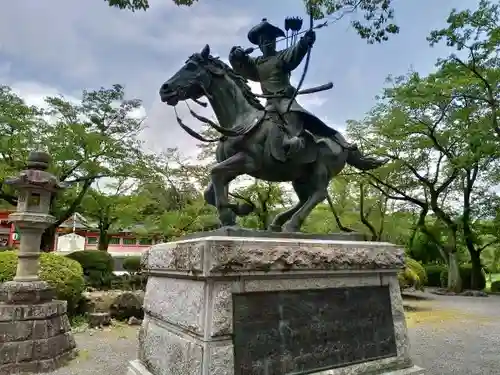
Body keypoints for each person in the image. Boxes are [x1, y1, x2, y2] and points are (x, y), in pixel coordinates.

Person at [229, 18, 356, 158]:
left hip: (285, 101)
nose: (265, 42)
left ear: (275, 41)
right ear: (258, 44)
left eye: (269, 39)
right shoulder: (256, 62)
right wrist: (236, 56)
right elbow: (243, 66)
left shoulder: (281, 56)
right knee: (259, 125)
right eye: (262, 40)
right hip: (269, 104)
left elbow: (295, 52)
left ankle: (339, 142)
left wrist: (304, 42)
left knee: (294, 117)